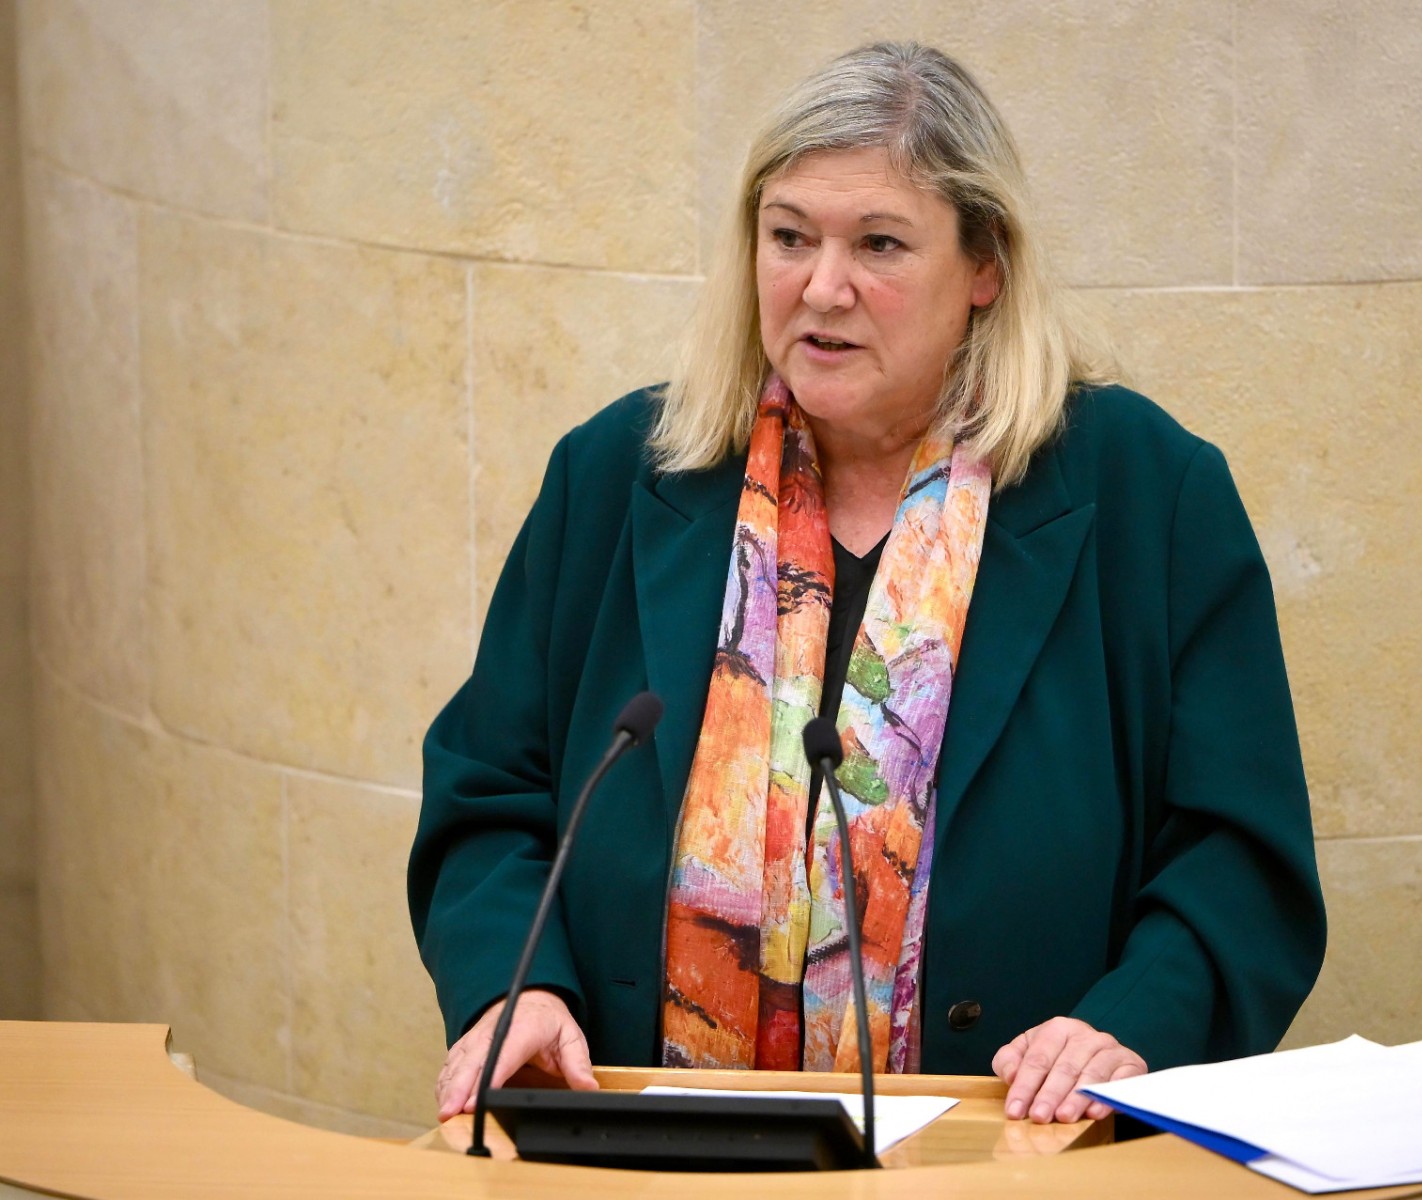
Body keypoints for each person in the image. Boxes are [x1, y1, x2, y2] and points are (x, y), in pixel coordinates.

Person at [410, 41, 1325, 1130]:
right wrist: (516, 987)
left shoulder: (1145, 493)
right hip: (647, 1141)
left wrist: (1131, 1022)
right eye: (789, 237)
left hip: (1012, 1144)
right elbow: (489, 793)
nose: (821, 287)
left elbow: (1240, 856)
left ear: (984, 266)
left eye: (879, 244)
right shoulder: (619, 473)